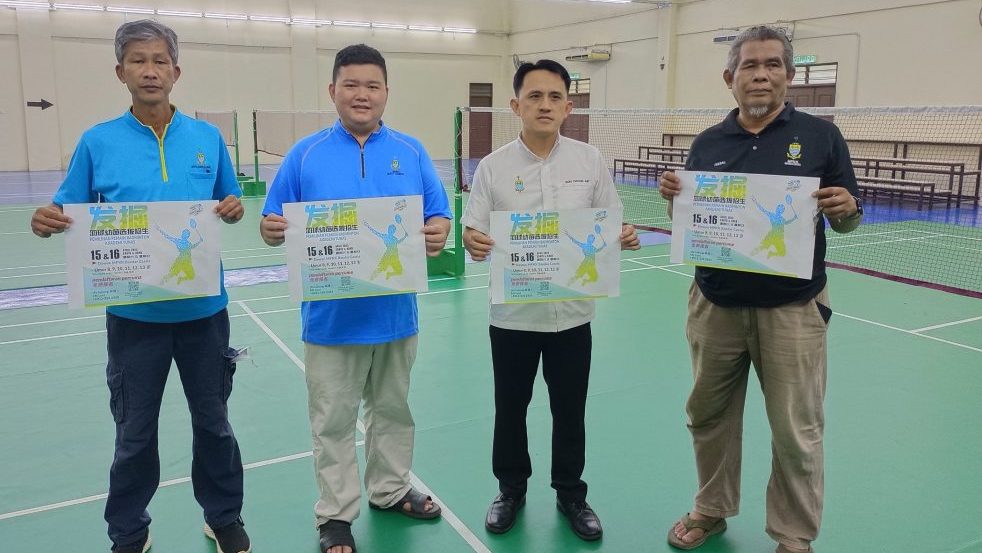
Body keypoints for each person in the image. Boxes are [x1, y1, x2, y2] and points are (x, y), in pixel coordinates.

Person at [29, 19, 250, 553]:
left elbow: (230, 200)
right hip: (133, 320)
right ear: (120, 72)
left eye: (159, 61)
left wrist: (234, 207)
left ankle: (223, 516)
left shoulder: (207, 138)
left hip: (203, 314)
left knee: (214, 424)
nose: (150, 71)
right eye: (138, 61)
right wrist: (46, 219)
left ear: (176, 71)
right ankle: (129, 530)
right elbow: (65, 208)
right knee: (134, 433)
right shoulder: (97, 142)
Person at [658, 25, 862, 553]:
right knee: (708, 416)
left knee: (796, 428)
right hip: (715, 306)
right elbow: (694, 220)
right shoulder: (708, 143)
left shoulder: (821, 137)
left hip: (792, 309)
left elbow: (847, 220)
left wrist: (847, 209)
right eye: (750, 65)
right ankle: (711, 508)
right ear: (730, 77)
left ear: (789, 75)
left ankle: (793, 534)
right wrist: (676, 201)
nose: (761, 74)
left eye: (773, 64)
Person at [258, 44, 451, 553]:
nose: (362, 94)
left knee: (392, 410)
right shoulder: (305, 154)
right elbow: (271, 219)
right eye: (351, 84)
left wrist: (438, 230)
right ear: (333, 90)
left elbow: (438, 215)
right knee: (333, 421)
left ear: (386, 92)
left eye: (372, 85)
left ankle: (390, 489)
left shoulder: (411, 151)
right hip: (330, 320)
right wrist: (271, 229)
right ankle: (336, 515)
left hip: (394, 316)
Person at [461, 59, 640, 542]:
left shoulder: (590, 161)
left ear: (568, 107)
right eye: (535, 96)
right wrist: (474, 241)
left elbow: (611, 221)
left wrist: (623, 234)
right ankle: (510, 490)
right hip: (513, 317)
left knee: (569, 409)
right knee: (510, 408)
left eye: (555, 96)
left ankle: (571, 494)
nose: (545, 105)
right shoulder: (493, 167)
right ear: (515, 105)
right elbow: (473, 229)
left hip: (572, 316)